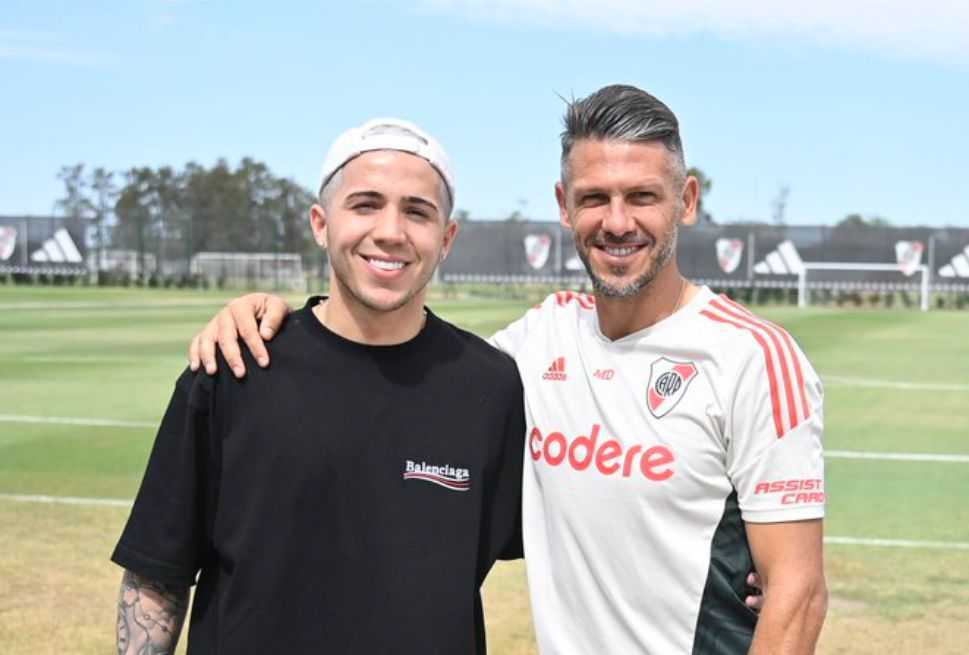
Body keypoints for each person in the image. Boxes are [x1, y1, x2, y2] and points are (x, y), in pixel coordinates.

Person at [190, 85, 825, 654]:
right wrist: (276, 317)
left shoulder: (753, 358)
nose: (617, 222)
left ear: (686, 201)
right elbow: (403, 358)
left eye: (642, 197)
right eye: (594, 198)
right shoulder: (535, 343)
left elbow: (796, 596)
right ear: (564, 205)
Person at [113, 118, 527, 654]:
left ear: (446, 239)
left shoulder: (492, 388)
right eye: (365, 205)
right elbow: (156, 574)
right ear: (320, 223)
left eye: (417, 212)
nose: (391, 231)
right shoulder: (233, 366)